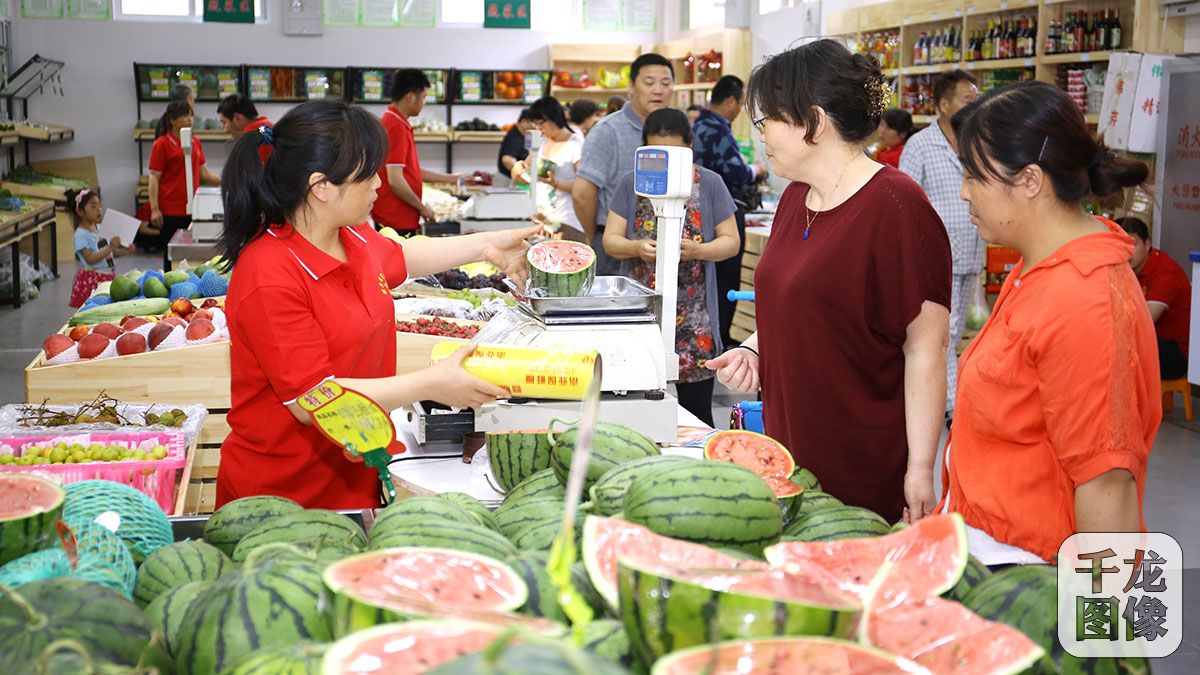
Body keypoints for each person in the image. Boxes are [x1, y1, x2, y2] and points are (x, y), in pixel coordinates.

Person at [216, 100, 541, 509]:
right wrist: (432, 382)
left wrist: (489, 245)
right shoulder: (269, 275)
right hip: (280, 496)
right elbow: (311, 399)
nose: (378, 185)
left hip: (354, 475)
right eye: (366, 174)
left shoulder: (352, 238)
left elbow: (404, 257)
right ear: (321, 187)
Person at [706, 40, 952, 524]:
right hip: (787, 446)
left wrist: (921, 468)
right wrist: (756, 348)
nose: (761, 136)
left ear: (813, 123)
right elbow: (801, 304)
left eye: (767, 121)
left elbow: (926, 347)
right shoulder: (796, 198)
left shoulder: (897, 206)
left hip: (857, 458)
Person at [940, 81, 1159, 564]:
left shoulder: (1084, 301)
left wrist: (1100, 628)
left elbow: (1108, 485)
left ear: (1030, 181)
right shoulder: (1037, 268)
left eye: (974, 176)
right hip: (989, 552)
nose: (963, 192)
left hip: (1033, 574)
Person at [603, 109, 739, 425]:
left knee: (697, 415)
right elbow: (611, 240)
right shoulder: (630, 183)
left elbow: (730, 241)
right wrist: (636, 247)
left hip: (695, 321)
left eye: (675, 154)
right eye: (656, 154)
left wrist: (698, 250)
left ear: (690, 147)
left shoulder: (710, 183)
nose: (664, 162)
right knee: (636, 413)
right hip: (641, 316)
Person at [899, 70, 981, 427]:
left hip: (970, 251)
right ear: (944, 104)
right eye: (967, 98)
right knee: (939, 332)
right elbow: (906, 201)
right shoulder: (920, 145)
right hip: (934, 257)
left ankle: (951, 402)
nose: (974, 104)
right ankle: (951, 405)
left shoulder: (974, 142)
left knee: (956, 327)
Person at [575, 54, 675, 275]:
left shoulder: (679, 131)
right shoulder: (608, 131)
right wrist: (596, 236)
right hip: (616, 249)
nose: (658, 90)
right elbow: (582, 194)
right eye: (649, 83)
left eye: (665, 83)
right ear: (631, 87)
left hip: (667, 248)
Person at [692, 74, 769, 349]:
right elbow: (736, 172)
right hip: (724, 212)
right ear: (730, 101)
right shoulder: (718, 129)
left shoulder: (699, 124)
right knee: (725, 283)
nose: (740, 110)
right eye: (741, 103)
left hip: (698, 214)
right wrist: (757, 170)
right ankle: (720, 343)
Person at [372, 69, 465, 233]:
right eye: (423, 97)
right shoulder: (395, 126)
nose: (424, 103)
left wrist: (451, 179)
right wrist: (422, 208)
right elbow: (396, 180)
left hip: (397, 217)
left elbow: (410, 171)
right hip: (395, 219)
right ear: (410, 97)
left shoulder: (397, 122)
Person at [1118, 216, 1191, 381]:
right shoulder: (1122, 268)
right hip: (1149, 341)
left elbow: (1144, 321)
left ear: (1147, 244)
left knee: (1119, 344)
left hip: (1175, 353)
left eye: (1133, 244)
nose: (1127, 251)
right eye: (1120, 244)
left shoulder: (1165, 271)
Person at [148, 99, 221, 264]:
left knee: (192, 256)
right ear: (173, 120)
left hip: (194, 208)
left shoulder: (195, 143)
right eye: (184, 116)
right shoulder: (161, 144)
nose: (189, 119)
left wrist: (226, 181)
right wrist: (154, 208)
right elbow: (154, 178)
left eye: (191, 115)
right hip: (170, 210)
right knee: (172, 257)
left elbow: (204, 174)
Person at [513, 96, 585, 242]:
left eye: (540, 123)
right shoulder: (543, 141)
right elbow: (525, 171)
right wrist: (518, 169)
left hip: (567, 223)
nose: (538, 128)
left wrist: (556, 184)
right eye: (535, 124)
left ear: (553, 118)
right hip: (543, 221)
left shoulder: (575, 145)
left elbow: (584, 189)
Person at [67, 189, 132, 308]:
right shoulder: (80, 235)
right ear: (80, 211)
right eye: (93, 206)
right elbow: (90, 258)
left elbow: (108, 253)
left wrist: (123, 251)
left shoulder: (100, 228)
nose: (98, 210)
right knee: (93, 308)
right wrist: (111, 247)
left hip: (107, 276)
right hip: (92, 279)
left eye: (99, 206)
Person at [218, 93, 273, 163]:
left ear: (237, 118)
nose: (225, 130)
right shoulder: (266, 126)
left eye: (224, 123)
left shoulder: (250, 136)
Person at [498, 108, 534, 180]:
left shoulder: (524, 135)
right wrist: (525, 174)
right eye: (533, 123)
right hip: (508, 180)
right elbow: (507, 160)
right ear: (524, 121)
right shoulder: (514, 137)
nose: (535, 126)